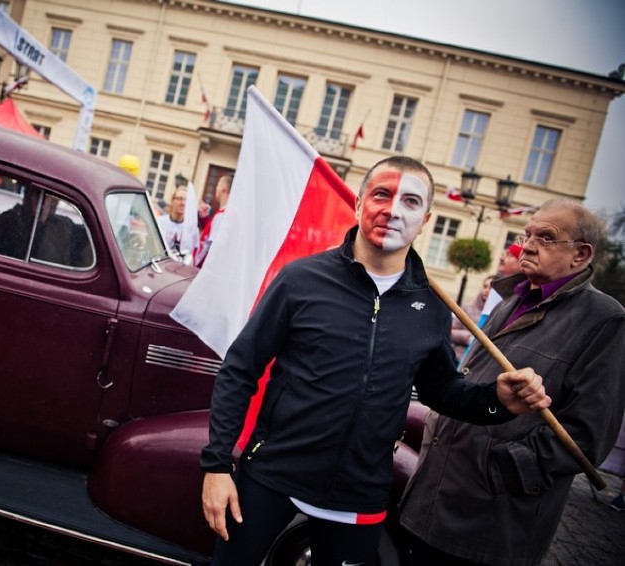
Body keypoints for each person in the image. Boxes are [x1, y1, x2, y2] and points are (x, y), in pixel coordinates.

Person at [199, 156, 551, 566]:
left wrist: (497, 401)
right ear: (360, 203)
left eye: (411, 202)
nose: (392, 209)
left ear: (426, 220)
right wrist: (217, 465)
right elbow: (240, 368)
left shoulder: (431, 305)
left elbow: (441, 389)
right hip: (272, 475)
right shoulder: (301, 280)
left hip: (359, 490)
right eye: (381, 194)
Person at [398, 198, 625, 565]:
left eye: (547, 238)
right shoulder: (512, 299)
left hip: (491, 518)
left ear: (581, 255)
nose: (529, 245)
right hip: (435, 493)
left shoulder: (604, 321)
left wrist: (500, 469)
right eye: (527, 234)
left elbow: (587, 436)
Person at [451, 275, 495, 359]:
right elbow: (449, 332)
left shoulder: (498, 314)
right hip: (457, 357)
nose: (486, 290)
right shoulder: (467, 308)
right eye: (485, 286)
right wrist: (468, 338)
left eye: (491, 288)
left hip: (477, 362)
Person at [194, 174, 232, 268]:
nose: (216, 188)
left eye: (218, 185)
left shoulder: (222, 215)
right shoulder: (223, 213)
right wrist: (204, 217)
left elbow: (212, 246)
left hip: (201, 267)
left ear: (223, 189)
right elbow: (212, 232)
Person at [157, 187, 189, 254]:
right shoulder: (159, 222)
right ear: (172, 201)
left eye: (186, 200)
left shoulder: (191, 228)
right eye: (179, 199)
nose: (183, 203)